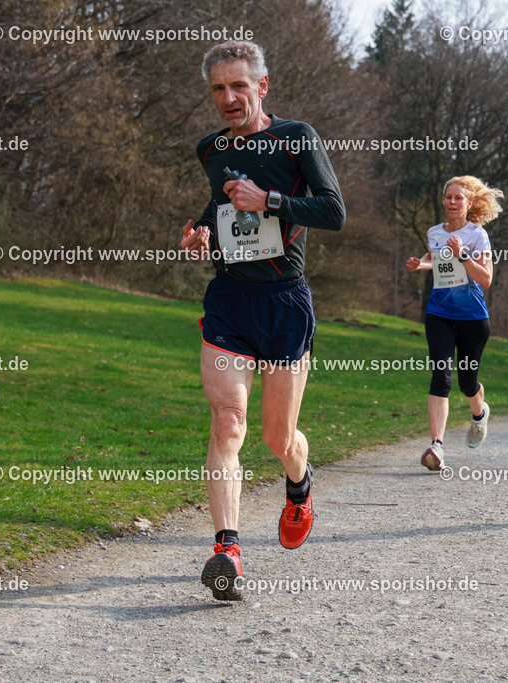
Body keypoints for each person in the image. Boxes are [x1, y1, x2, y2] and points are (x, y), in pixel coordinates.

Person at [179, 40, 346, 601]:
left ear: (262, 86)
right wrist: (203, 231)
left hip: (284, 303)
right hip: (229, 299)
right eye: (218, 88)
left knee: (278, 437)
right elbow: (221, 205)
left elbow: (333, 210)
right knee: (228, 423)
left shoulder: (296, 137)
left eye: (239, 86)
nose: (228, 97)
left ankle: (299, 484)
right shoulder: (210, 149)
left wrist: (269, 200)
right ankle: (226, 550)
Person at [405, 176, 502, 471]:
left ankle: (479, 414)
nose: (452, 202)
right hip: (439, 314)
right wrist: (420, 263)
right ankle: (437, 446)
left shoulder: (478, 236)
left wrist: (462, 254)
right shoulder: (434, 232)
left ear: (469, 203)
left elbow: (486, 279)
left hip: (472, 318)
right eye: (448, 197)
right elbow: (434, 257)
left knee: (467, 383)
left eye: (458, 197)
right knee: (441, 378)